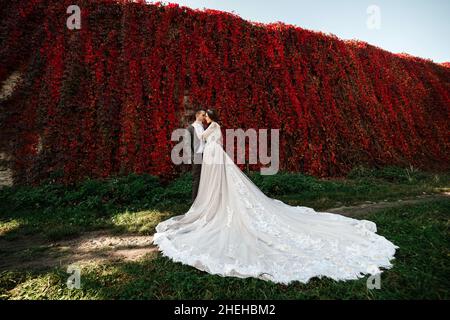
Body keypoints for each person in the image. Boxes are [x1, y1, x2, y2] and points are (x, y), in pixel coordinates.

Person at [153, 109, 398, 285]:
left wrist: (199, 125)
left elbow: (205, 138)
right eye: (202, 116)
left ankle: (215, 203)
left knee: (225, 183)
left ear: (210, 117)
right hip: (214, 156)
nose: (203, 117)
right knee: (220, 182)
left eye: (205, 115)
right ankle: (214, 200)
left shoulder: (211, 127)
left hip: (215, 155)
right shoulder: (212, 127)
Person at [186, 109, 206, 201]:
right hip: (197, 156)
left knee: (206, 177)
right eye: (203, 115)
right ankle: (194, 201)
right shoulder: (190, 128)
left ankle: (204, 200)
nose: (205, 117)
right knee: (197, 178)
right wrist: (192, 157)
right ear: (197, 115)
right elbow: (187, 145)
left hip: (206, 155)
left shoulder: (205, 128)